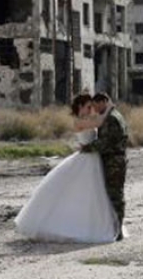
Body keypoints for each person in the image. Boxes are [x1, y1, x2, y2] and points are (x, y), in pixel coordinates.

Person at [14, 93, 120, 244]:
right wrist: (109, 108)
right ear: (80, 107)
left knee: (92, 194)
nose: (91, 109)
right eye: (88, 107)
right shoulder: (78, 121)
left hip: (92, 159)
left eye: (91, 106)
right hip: (86, 159)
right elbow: (100, 122)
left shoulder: (87, 119)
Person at [81, 93, 128, 241]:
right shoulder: (114, 115)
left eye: (96, 105)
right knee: (113, 195)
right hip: (114, 160)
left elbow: (105, 143)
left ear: (103, 102)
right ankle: (115, 228)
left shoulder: (112, 119)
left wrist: (86, 148)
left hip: (113, 161)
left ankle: (117, 229)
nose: (95, 109)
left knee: (114, 195)